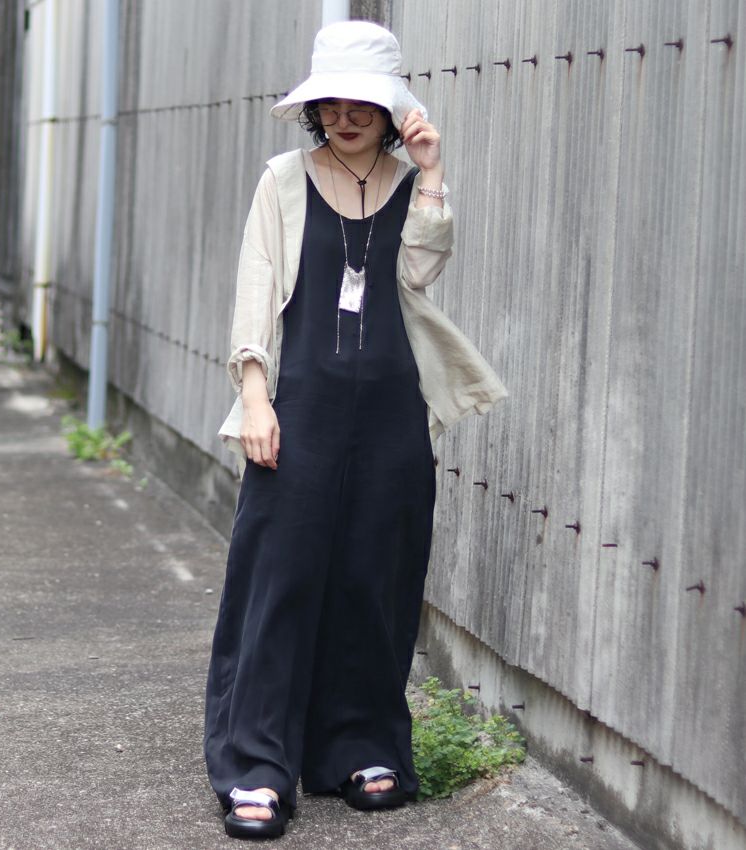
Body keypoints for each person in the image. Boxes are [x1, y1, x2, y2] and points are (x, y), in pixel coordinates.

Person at [204, 20, 507, 840]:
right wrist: (256, 397)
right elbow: (255, 291)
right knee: (279, 583)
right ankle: (256, 765)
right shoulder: (283, 180)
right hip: (299, 411)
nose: (343, 118)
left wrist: (433, 173)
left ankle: (359, 747)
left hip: (390, 415)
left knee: (376, 580)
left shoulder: (409, 183)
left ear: (390, 109)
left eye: (361, 105)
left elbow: (419, 271)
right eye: (331, 104)